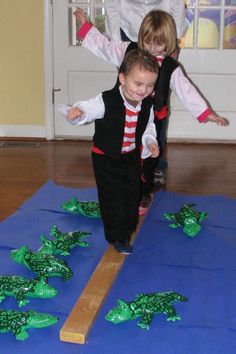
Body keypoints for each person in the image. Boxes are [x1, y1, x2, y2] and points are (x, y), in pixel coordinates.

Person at [74, 8, 229, 215]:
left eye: (159, 43)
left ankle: (143, 192)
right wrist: (86, 27)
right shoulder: (127, 50)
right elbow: (104, 47)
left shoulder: (169, 66)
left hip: (153, 118)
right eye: (147, 42)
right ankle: (120, 185)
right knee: (121, 151)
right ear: (141, 38)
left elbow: (186, 89)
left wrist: (205, 112)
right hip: (124, 114)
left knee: (148, 156)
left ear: (169, 42)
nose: (152, 48)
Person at [58, 49, 159, 254]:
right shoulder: (107, 100)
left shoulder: (147, 104)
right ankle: (117, 236)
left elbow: (148, 127)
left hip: (130, 155)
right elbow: (88, 109)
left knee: (132, 192)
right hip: (106, 157)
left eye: (150, 85)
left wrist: (150, 142)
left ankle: (128, 227)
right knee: (112, 197)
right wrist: (78, 113)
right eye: (138, 84)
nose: (143, 90)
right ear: (122, 78)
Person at [104, 0, 186, 42]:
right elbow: (111, 4)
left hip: (161, 27)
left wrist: (175, 41)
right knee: (129, 72)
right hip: (127, 28)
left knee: (162, 72)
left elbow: (178, 3)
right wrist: (116, 46)